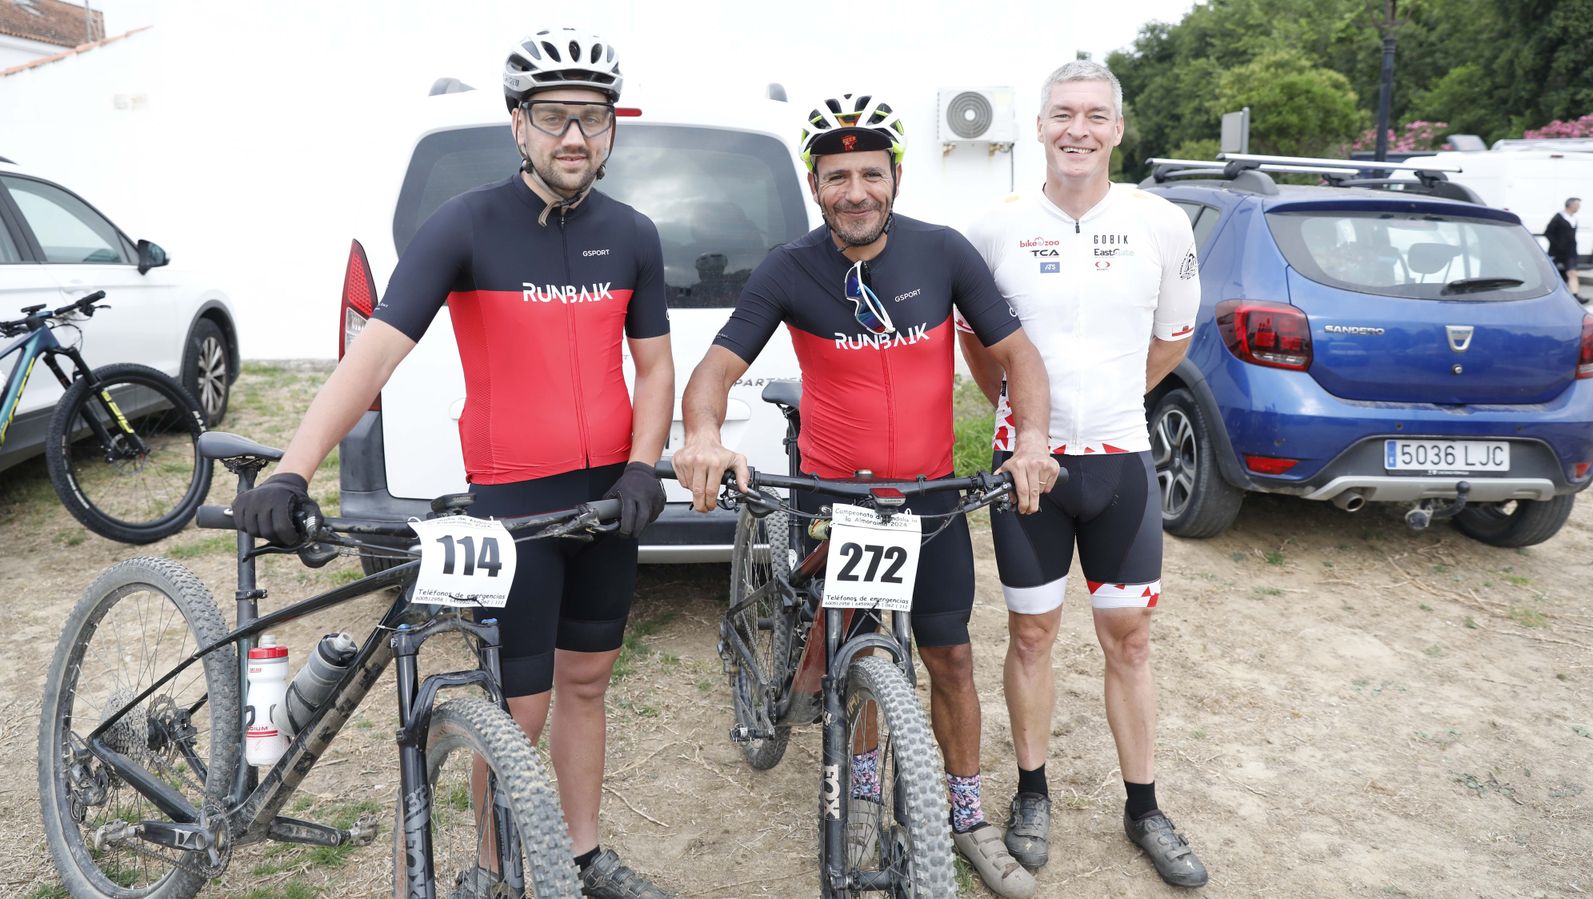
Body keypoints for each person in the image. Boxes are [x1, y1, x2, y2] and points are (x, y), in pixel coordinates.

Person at [228, 28, 675, 899]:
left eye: (592, 117)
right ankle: (493, 869)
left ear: (613, 128)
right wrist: (293, 467)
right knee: (519, 710)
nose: (574, 136)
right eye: (553, 116)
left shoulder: (634, 234)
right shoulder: (467, 224)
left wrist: (642, 466)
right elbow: (375, 354)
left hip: (608, 502)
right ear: (518, 125)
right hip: (515, 501)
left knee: (588, 681)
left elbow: (654, 364)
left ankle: (582, 856)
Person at [672, 92, 1057, 899]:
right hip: (839, 498)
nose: (856, 191)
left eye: (870, 173)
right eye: (837, 175)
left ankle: (965, 812)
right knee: (864, 649)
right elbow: (712, 372)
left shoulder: (943, 252)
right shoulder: (790, 266)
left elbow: (1019, 357)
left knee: (950, 655)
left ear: (896, 177)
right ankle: (858, 778)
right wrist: (703, 434)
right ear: (816, 186)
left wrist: (1028, 443)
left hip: (931, 496)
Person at [958, 60, 1210, 889]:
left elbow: (1173, 338)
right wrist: (1024, 416)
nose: (1078, 129)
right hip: (1026, 470)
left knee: (1128, 641)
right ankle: (1032, 791)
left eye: (1095, 115)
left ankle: (1144, 805)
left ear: (1118, 129)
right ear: (1037, 126)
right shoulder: (993, 226)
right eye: (1063, 113)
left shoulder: (1161, 221)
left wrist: (1104, 404)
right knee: (1031, 633)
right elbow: (976, 340)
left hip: (1121, 464)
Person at [1544, 197, 1582, 294]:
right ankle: (1547, 293)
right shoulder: (1558, 217)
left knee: (1572, 273)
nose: (1579, 207)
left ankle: (1575, 296)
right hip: (1557, 252)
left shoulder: (1574, 218)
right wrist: (1557, 245)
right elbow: (1548, 232)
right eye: (1577, 205)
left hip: (1570, 251)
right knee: (1551, 274)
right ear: (1570, 205)